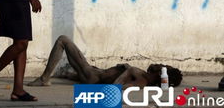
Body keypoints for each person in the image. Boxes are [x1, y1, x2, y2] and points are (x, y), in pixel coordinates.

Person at [28, 35, 183, 89]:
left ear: (161, 74)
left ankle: (44, 79)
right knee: (65, 49)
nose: (158, 65)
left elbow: (114, 90)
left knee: (63, 40)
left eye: (162, 67)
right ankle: (64, 74)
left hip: (91, 76)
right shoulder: (141, 74)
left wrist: (128, 70)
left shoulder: (141, 80)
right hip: (92, 73)